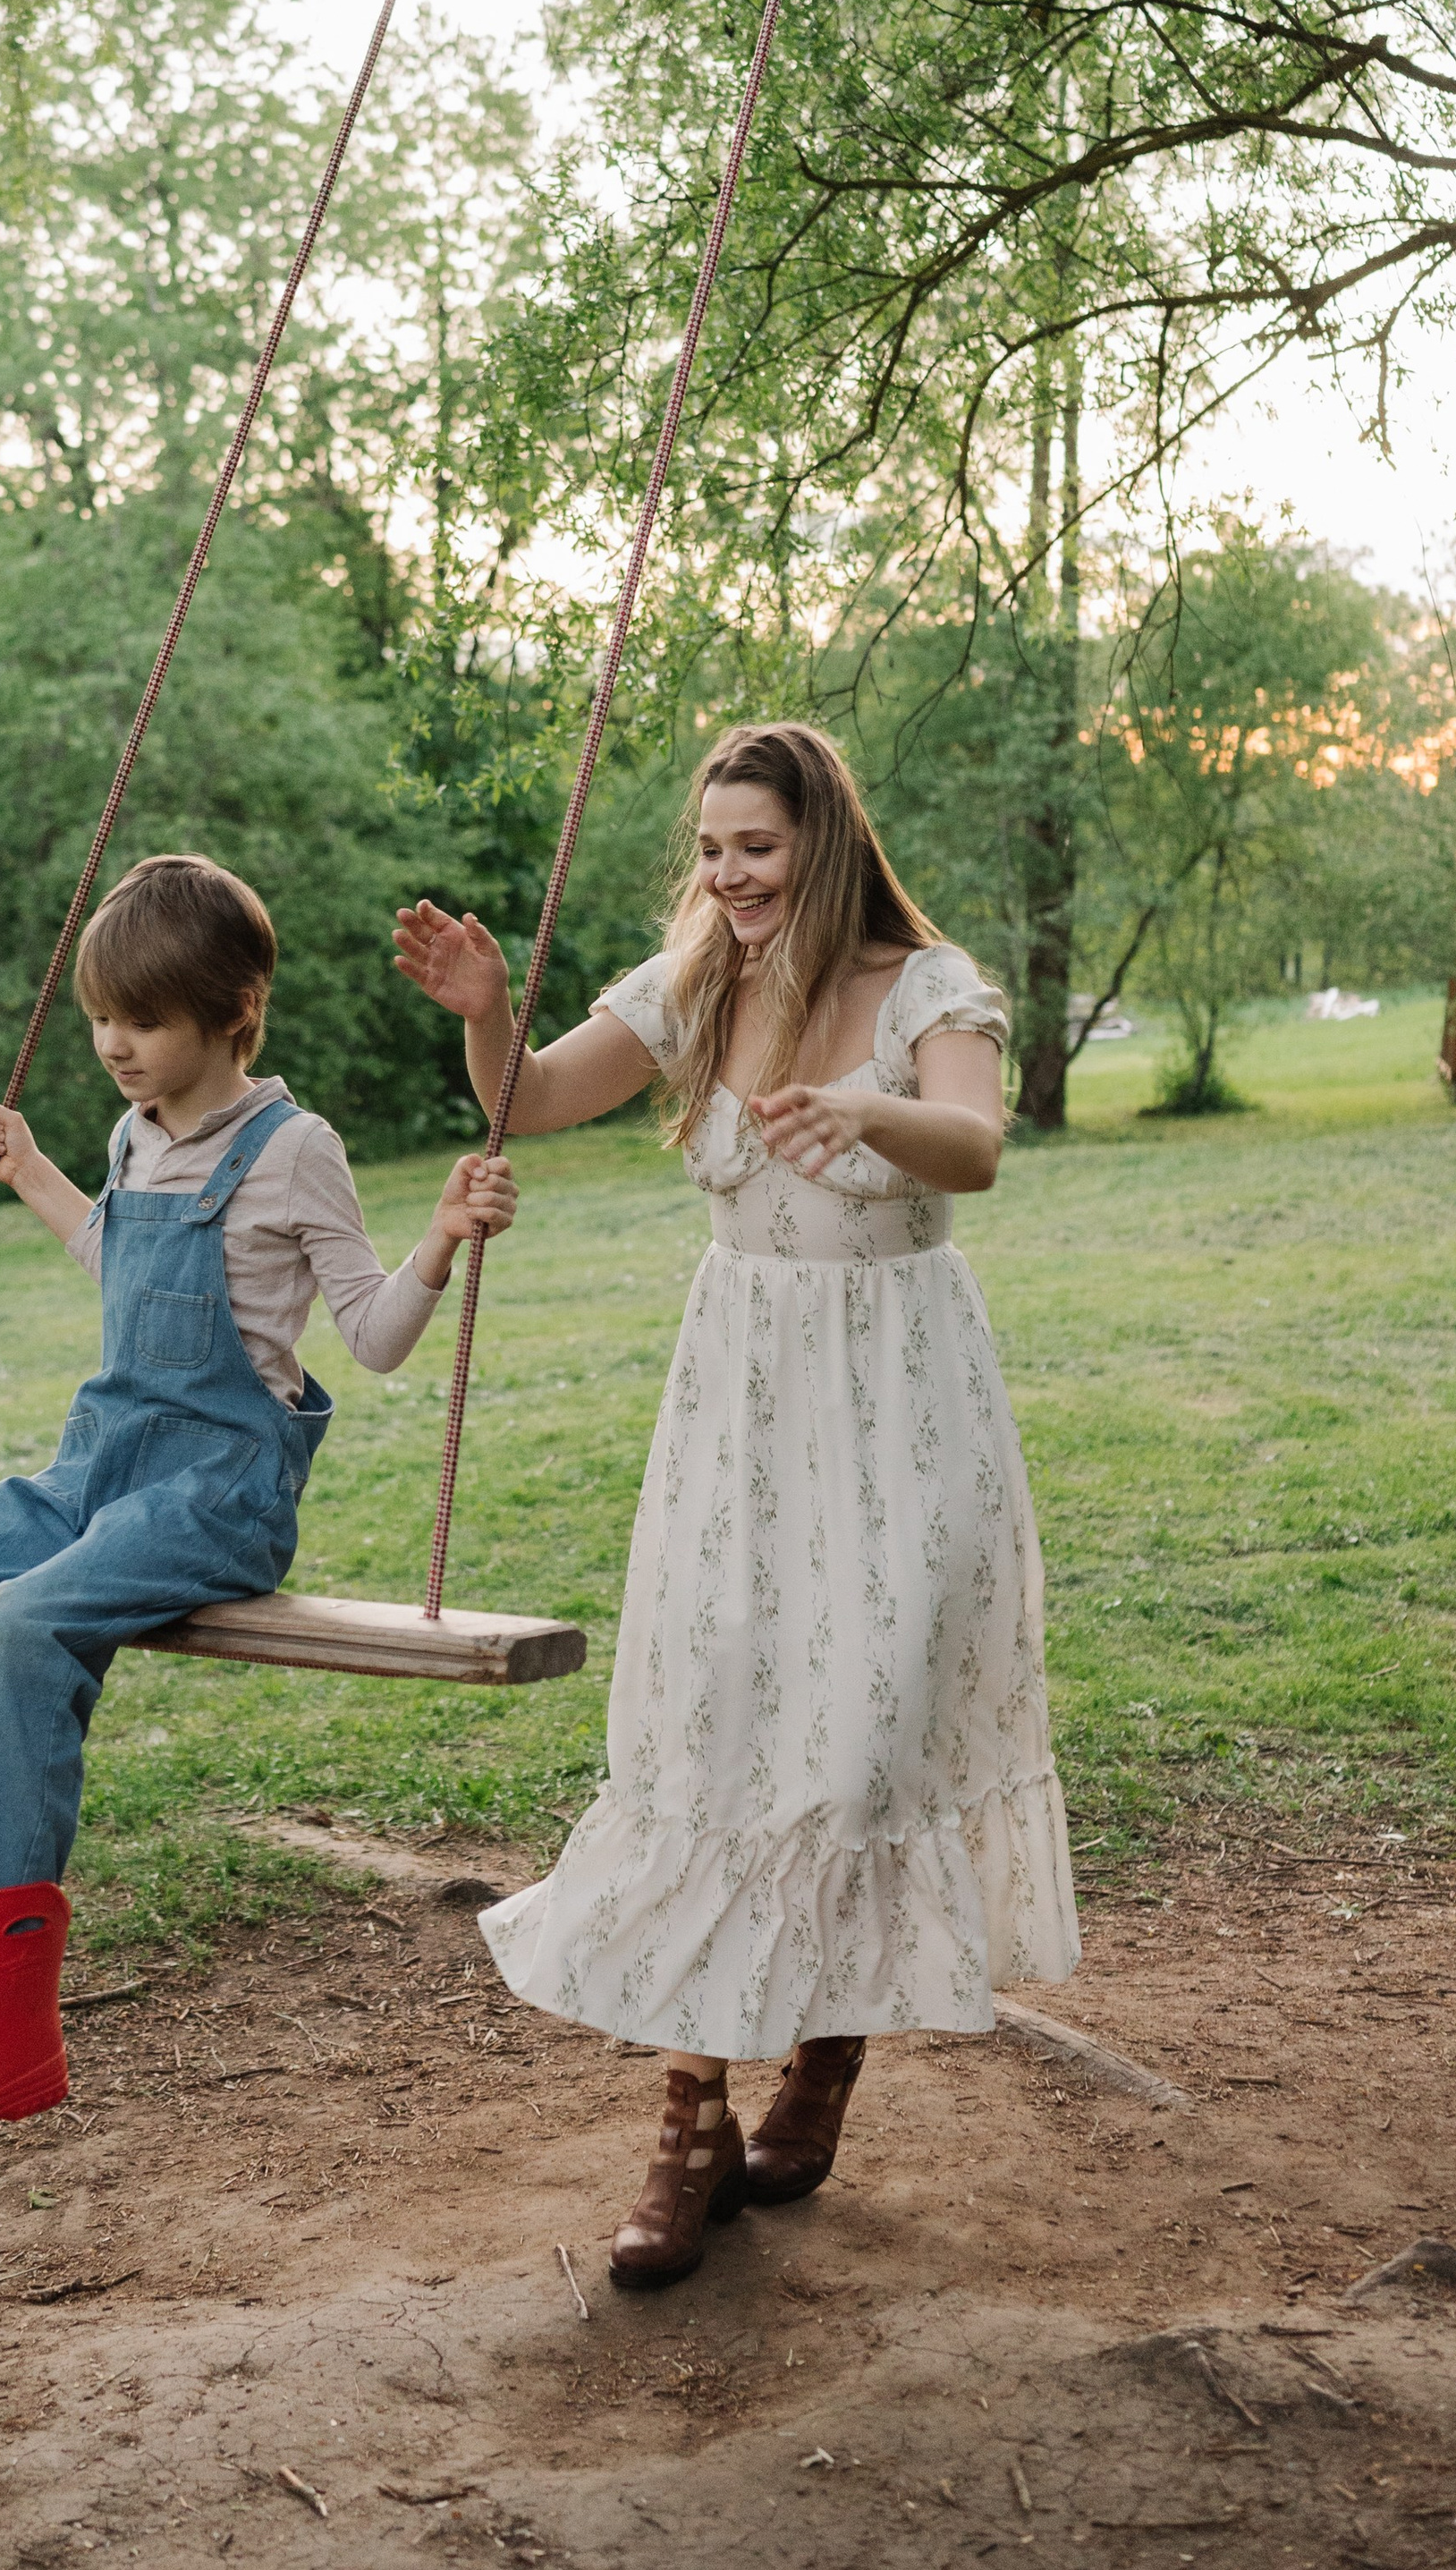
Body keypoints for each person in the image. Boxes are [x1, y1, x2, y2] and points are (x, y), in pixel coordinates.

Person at [394, 722, 1077, 2287]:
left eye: (754, 847)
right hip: (744, 1413)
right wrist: (488, 1016)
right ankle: (686, 2122)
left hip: (901, 1406)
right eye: (710, 849)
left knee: (860, 1734)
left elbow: (973, 1144)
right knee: (716, 1726)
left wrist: (866, 1112)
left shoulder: (928, 985)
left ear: (823, 841)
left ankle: (824, 2053)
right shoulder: (698, 976)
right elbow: (539, 1097)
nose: (726, 875)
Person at [0, 850, 517, 2175]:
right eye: (102, 1018)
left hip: (219, 1488)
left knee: (23, 1629)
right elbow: (118, 1255)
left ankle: (0, 2022)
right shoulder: (131, 1132)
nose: (113, 1045)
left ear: (231, 1013)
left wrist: (442, 1237)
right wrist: (37, 1170)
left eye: (142, 1022)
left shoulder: (295, 1148)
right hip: (98, 1460)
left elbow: (375, 1338)